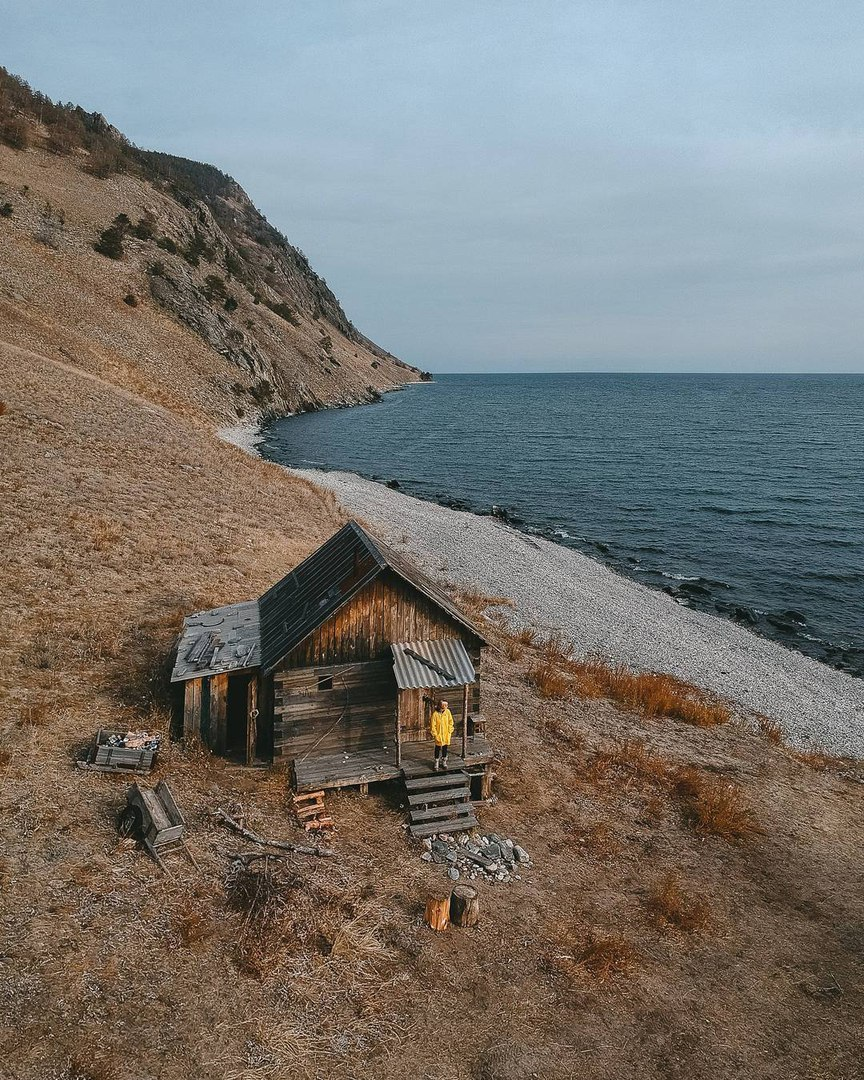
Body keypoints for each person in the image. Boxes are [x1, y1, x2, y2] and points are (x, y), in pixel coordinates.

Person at [430, 698, 454, 771]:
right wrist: (435, 734)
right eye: (444, 705)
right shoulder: (435, 714)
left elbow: (451, 721)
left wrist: (450, 730)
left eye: (446, 705)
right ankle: (436, 762)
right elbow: (432, 725)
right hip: (439, 735)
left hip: (446, 734)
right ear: (441, 705)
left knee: (445, 748)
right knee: (437, 748)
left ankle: (444, 762)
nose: (446, 706)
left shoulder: (447, 712)